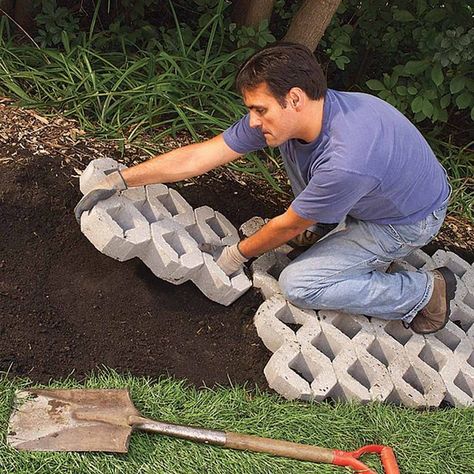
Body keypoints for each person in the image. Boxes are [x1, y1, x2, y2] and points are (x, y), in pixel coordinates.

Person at [75, 42, 456, 335]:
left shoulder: (346, 158)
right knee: (294, 156)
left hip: (406, 220)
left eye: (260, 109)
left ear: (294, 98)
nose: (253, 120)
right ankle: (324, 227)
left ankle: (423, 291)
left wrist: (234, 257)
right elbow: (201, 156)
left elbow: (287, 225)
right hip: (374, 192)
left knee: (300, 283)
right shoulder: (308, 115)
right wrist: (121, 180)